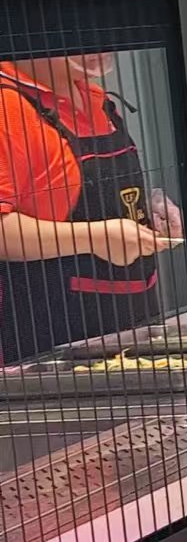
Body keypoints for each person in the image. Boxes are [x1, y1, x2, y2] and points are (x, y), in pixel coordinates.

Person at [0, 52, 177, 364]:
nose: (101, 49)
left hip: (134, 328)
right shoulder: (7, 107)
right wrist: (94, 237)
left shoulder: (95, 97)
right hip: (46, 345)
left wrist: (147, 212)